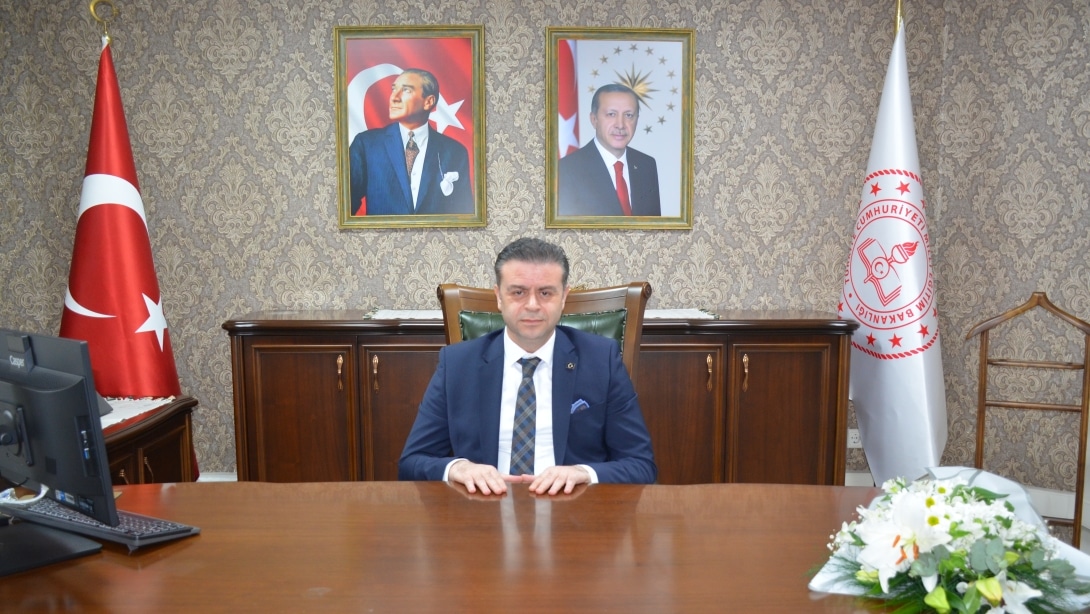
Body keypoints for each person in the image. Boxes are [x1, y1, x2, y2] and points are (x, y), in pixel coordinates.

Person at [399, 237, 657, 495]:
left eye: (545, 293)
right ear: (498, 297)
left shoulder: (602, 360)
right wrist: (458, 468)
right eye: (518, 292)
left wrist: (584, 473)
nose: (532, 305)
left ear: (563, 297)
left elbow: (641, 465)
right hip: (483, 507)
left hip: (574, 508)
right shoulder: (457, 364)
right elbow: (412, 462)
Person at [348, 68, 473, 215]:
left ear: (428, 102)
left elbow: (463, 212)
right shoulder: (366, 145)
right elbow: (343, 209)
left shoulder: (455, 151)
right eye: (394, 89)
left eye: (406, 90)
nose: (394, 97)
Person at [557, 84, 661, 217]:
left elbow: (653, 226)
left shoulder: (646, 165)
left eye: (629, 115)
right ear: (594, 119)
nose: (620, 125)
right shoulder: (567, 170)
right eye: (611, 114)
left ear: (637, 120)